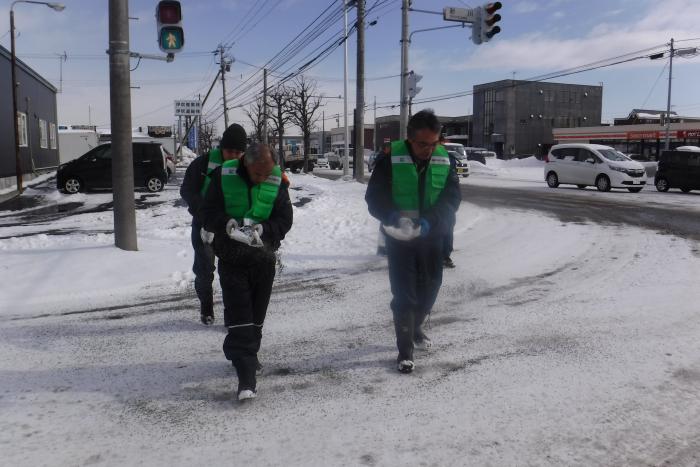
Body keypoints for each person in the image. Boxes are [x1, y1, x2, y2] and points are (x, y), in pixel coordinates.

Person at [365, 109, 460, 374]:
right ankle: (404, 351)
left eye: (433, 144)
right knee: (404, 293)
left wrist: (431, 221)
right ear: (409, 139)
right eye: (422, 144)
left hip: (432, 237)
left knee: (430, 288)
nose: (428, 149)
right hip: (400, 239)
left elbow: (452, 200)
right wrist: (391, 215)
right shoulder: (389, 161)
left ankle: (417, 326)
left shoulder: (445, 160)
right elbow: (374, 198)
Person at [201, 142, 293, 401]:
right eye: (257, 175)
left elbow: (285, 219)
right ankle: (246, 376)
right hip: (231, 256)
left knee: (256, 317)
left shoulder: (277, 179)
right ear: (246, 163)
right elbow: (206, 211)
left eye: (267, 174)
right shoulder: (223, 175)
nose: (262, 179)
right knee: (240, 315)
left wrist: (265, 230)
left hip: (263, 258)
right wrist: (226, 223)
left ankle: (248, 356)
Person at [180, 124, 248, 325]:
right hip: (205, 224)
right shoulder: (203, 163)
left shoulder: (246, 165)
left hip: (233, 227)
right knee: (204, 269)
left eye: (238, 151)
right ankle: (206, 308)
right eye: (229, 151)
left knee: (233, 272)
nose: (233, 155)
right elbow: (187, 190)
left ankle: (233, 314)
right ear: (221, 147)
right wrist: (204, 211)